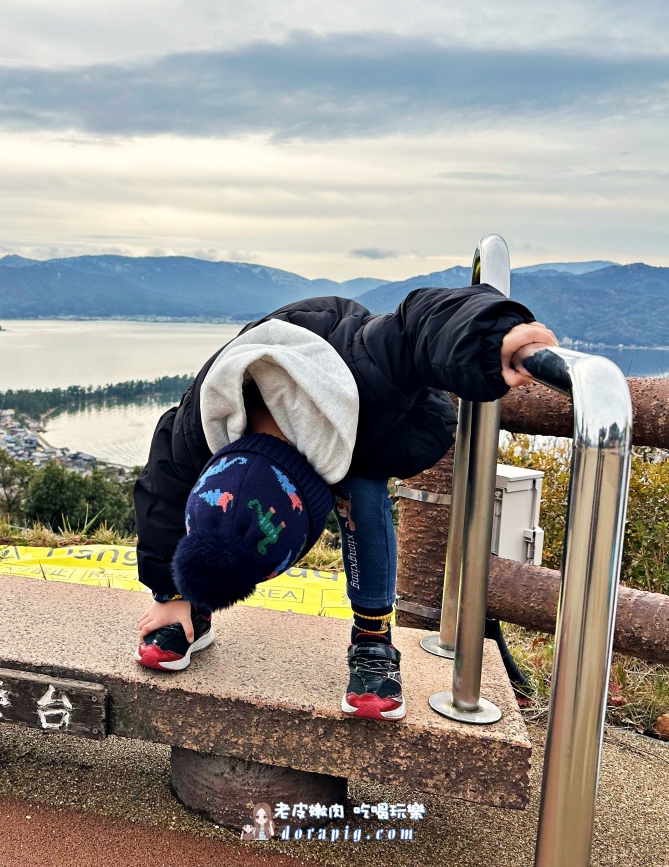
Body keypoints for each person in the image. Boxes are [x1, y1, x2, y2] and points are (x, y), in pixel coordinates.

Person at [132, 286, 557, 721]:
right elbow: (160, 496)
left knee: (364, 492)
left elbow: (419, 320)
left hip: (375, 418)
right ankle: (193, 608)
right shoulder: (198, 427)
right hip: (278, 385)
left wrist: (490, 340)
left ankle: (374, 639)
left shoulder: (368, 369)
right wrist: (171, 591)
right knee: (221, 529)